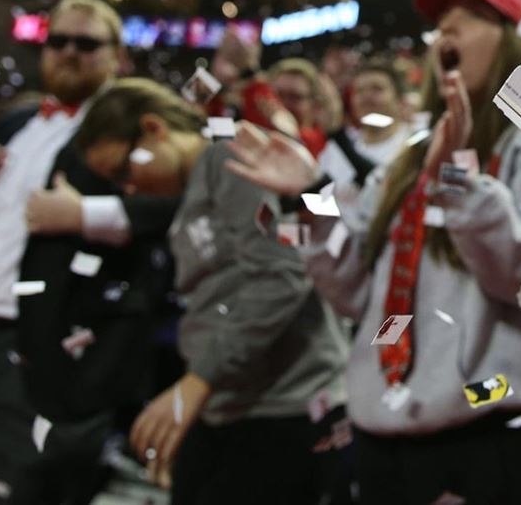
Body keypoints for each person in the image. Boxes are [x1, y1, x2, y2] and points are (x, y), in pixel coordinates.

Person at [228, 0, 521, 505]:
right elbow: (359, 291)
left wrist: (457, 181)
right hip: (388, 434)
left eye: (473, 16)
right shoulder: (412, 155)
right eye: (439, 22)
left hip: (498, 432)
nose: (446, 28)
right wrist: (311, 196)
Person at [0, 0, 178, 504]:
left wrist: (85, 217)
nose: (69, 52)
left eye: (86, 43)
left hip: (56, 350)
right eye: (58, 41)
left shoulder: (140, 123)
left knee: (35, 491)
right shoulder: (15, 122)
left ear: (118, 56)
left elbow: (178, 208)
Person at [71, 79, 350, 504]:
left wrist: (200, 379)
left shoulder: (227, 159)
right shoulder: (193, 185)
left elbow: (281, 277)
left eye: (125, 170)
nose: (128, 187)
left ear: (154, 129)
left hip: (286, 406)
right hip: (233, 403)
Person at [318, 61, 413, 191]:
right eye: (359, 91)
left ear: (399, 100)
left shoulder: (414, 145)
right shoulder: (333, 150)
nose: (366, 96)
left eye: (377, 89)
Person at [269, 59, 329, 157]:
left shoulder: (323, 145)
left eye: (295, 97)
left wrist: (291, 134)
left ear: (314, 104)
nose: (284, 104)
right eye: (278, 95)